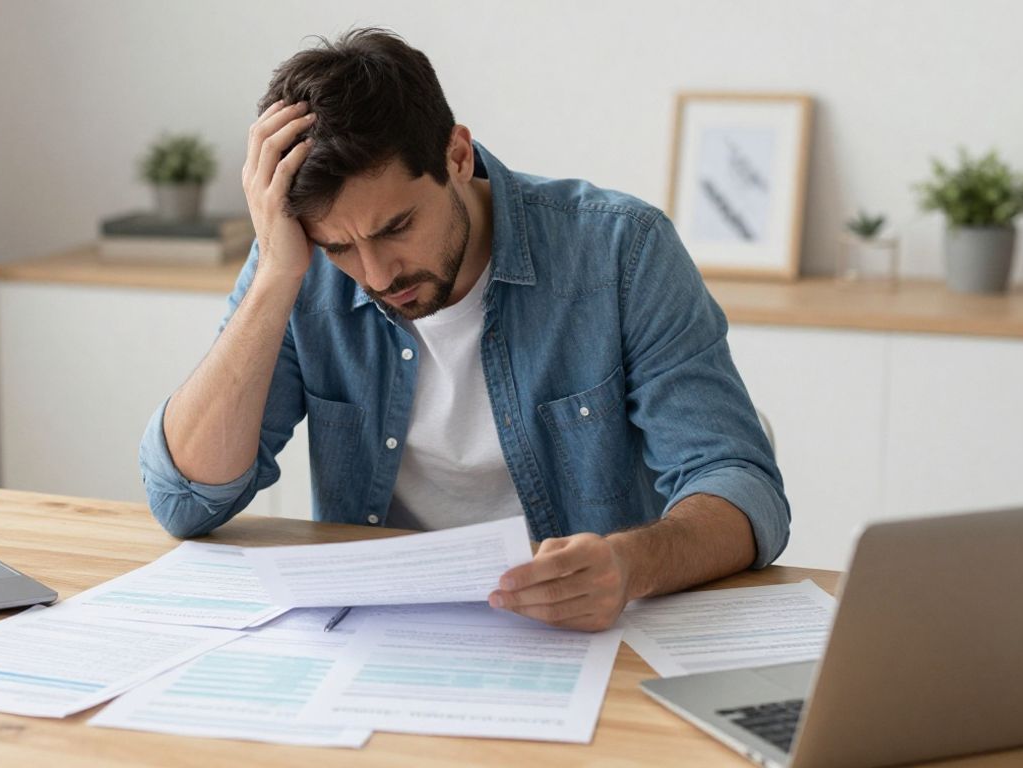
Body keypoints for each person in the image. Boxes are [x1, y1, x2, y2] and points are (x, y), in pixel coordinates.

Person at [139, 28, 788, 631]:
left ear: (456, 154)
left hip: (578, 638)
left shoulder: (620, 251)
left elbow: (740, 486)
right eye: (339, 246)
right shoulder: (297, 262)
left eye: (396, 228)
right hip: (384, 634)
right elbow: (187, 501)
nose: (375, 272)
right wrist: (277, 274)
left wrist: (630, 564)